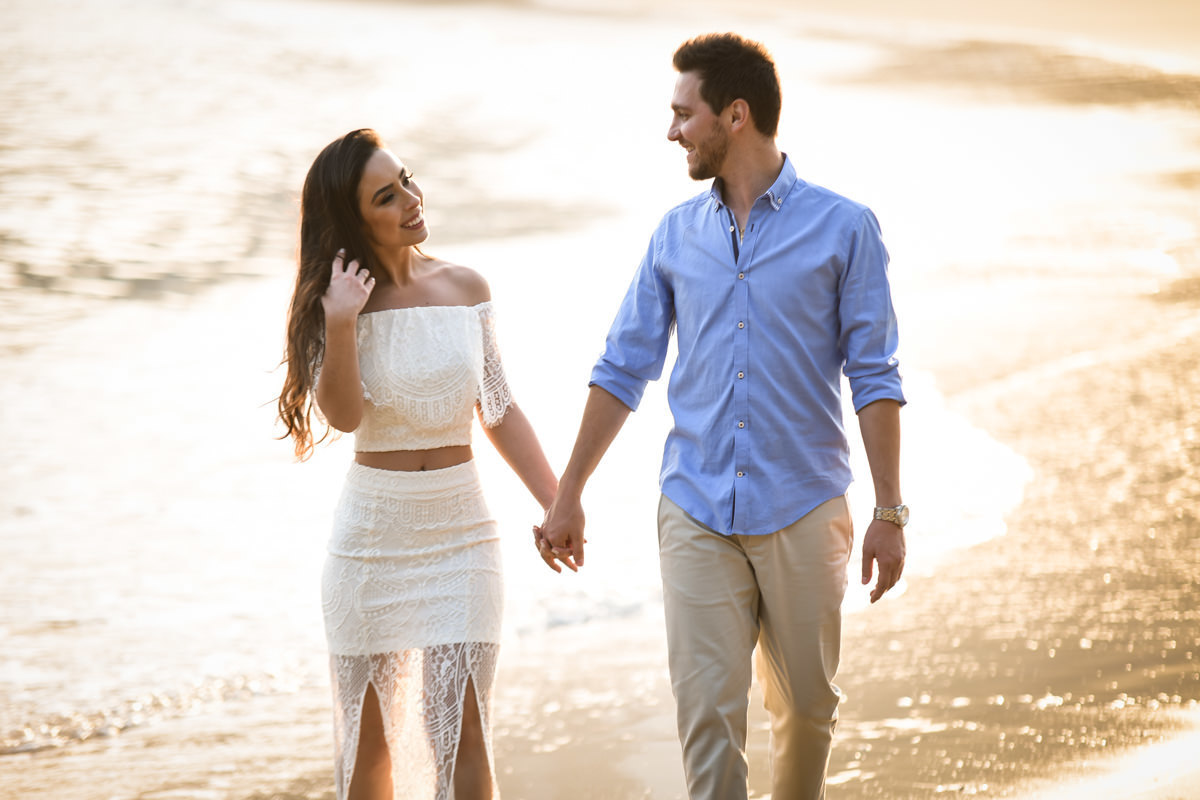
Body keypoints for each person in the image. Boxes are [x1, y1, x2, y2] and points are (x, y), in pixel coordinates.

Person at [536, 33, 908, 800]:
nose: (672, 132)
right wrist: (567, 491)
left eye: (684, 114)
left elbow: (874, 375)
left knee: (806, 709)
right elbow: (621, 368)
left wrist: (890, 510)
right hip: (695, 506)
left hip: (804, 503)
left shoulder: (845, 229)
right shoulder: (674, 235)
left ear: (735, 115)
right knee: (708, 718)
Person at [278, 128, 557, 800]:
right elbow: (343, 416)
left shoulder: (466, 285)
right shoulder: (336, 304)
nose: (411, 198)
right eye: (386, 195)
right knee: (369, 753)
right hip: (371, 546)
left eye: (406, 179)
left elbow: (499, 406)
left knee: (461, 740)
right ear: (354, 219)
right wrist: (341, 323)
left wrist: (558, 501)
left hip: (463, 537)